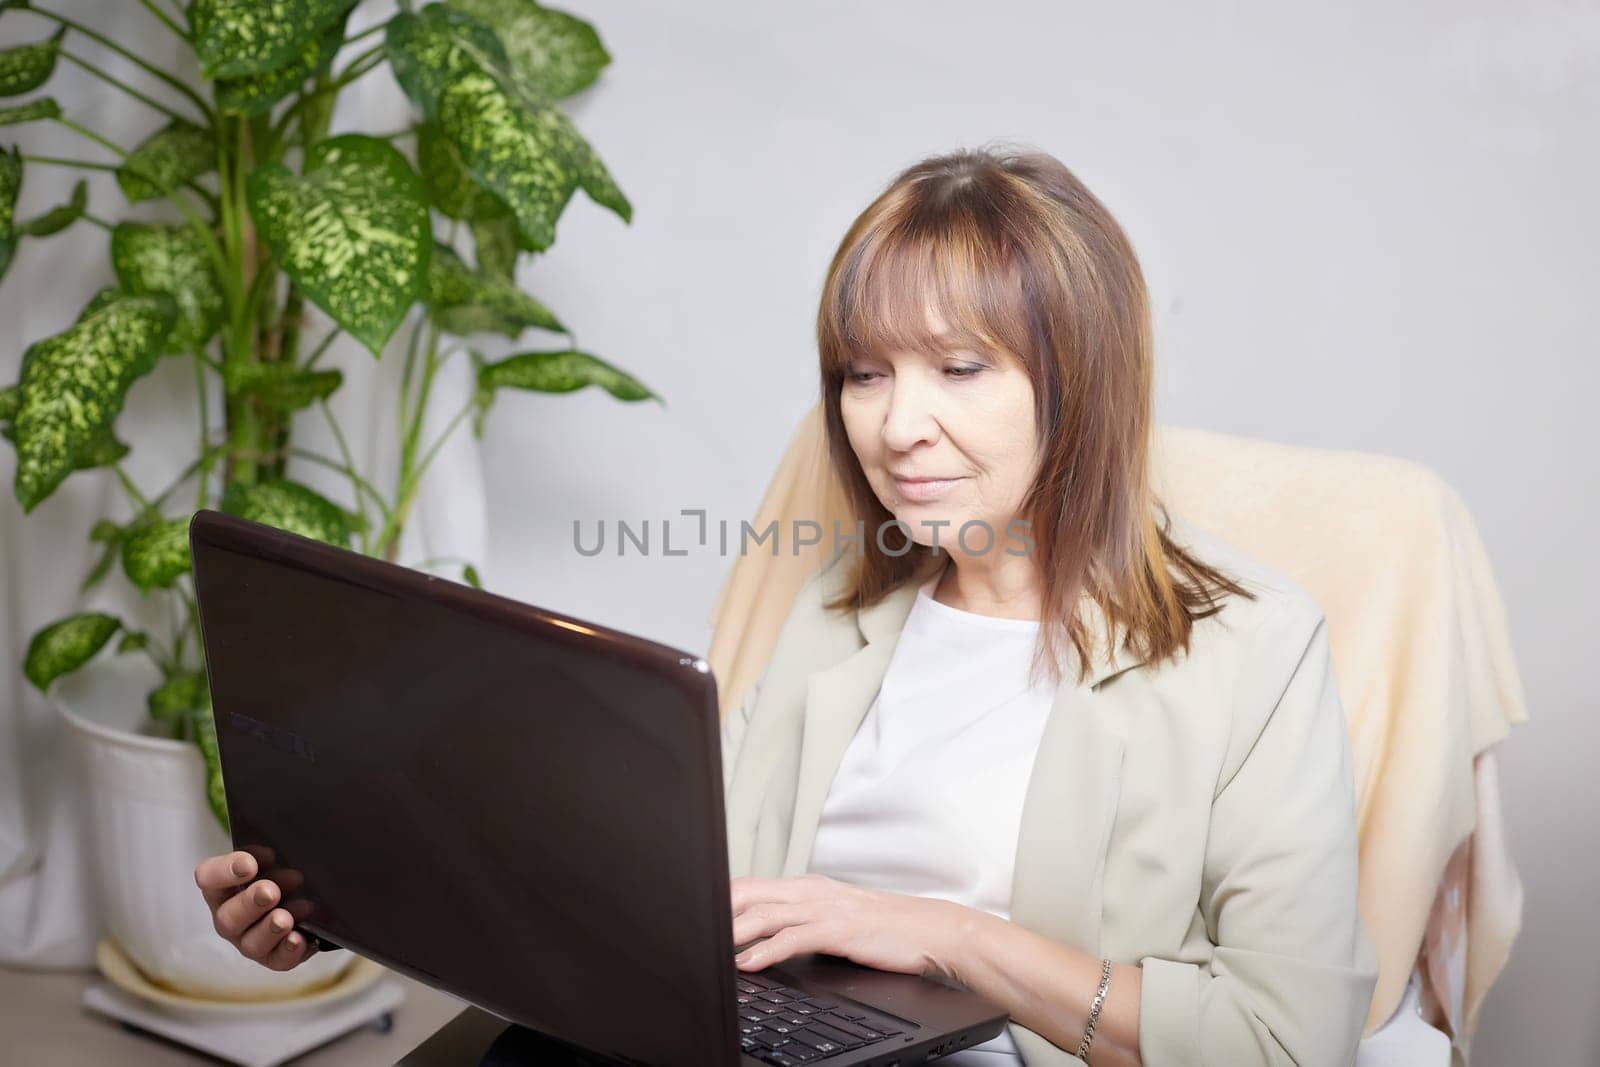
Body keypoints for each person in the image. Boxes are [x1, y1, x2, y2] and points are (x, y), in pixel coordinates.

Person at [197, 144, 1379, 1066]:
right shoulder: (843, 605)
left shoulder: (1250, 648)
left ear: (1082, 384)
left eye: (959, 368)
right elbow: (699, 909)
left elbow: (1286, 1038)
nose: (895, 425)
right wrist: (351, 896)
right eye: (865, 372)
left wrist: (943, 932)